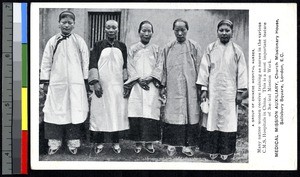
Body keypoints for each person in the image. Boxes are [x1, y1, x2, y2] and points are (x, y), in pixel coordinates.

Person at [196, 19, 248, 162]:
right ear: (217, 32)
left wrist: (239, 93)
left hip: (230, 92)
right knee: (211, 119)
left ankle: (226, 151)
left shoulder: (237, 50)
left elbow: (242, 72)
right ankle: (212, 150)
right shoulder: (210, 48)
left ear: (232, 33)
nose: (224, 33)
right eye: (221, 30)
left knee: (228, 121)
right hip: (213, 91)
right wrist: (204, 89)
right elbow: (204, 69)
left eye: (227, 30)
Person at [40, 11, 90, 155]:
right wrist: (45, 81)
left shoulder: (79, 41)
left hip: (75, 84)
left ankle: (73, 142)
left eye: (70, 23)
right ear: (59, 23)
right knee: (55, 111)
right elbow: (46, 62)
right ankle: (54, 142)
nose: (67, 25)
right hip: (57, 84)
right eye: (64, 22)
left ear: (74, 24)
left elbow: (85, 61)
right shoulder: (53, 41)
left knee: (74, 111)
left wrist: (85, 80)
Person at [159, 19, 202, 157]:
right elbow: (163, 68)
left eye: (182, 30)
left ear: (187, 30)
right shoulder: (168, 47)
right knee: (173, 114)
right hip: (173, 88)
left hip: (191, 88)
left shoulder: (194, 46)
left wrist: (201, 88)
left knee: (190, 114)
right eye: (176, 30)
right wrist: (162, 85)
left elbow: (201, 68)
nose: (179, 33)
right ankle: (172, 145)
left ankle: (188, 146)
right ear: (173, 31)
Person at [88, 20, 129, 154]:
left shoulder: (122, 46)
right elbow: (93, 64)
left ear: (117, 30)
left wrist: (126, 84)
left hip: (117, 86)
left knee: (116, 112)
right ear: (105, 29)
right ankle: (99, 142)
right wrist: (95, 83)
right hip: (102, 85)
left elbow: (125, 67)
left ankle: (115, 142)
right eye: (108, 27)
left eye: (114, 28)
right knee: (100, 113)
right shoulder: (98, 45)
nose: (111, 30)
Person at [123, 21, 162, 154]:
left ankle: (149, 142)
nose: (146, 33)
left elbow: (159, 66)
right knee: (137, 111)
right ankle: (138, 142)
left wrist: (151, 78)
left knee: (151, 112)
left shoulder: (156, 49)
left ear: (152, 32)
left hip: (151, 86)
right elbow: (130, 66)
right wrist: (138, 79)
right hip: (137, 85)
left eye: (149, 31)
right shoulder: (133, 48)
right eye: (143, 30)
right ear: (139, 32)